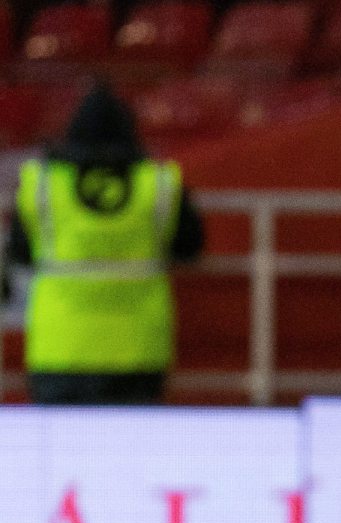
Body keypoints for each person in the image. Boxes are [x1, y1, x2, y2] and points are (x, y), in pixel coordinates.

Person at [4, 81, 204, 405]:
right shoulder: (157, 182)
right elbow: (190, 246)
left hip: (60, 348)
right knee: (132, 452)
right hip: (138, 351)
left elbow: (21, 253)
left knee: (62, 453)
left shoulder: (43, 182)